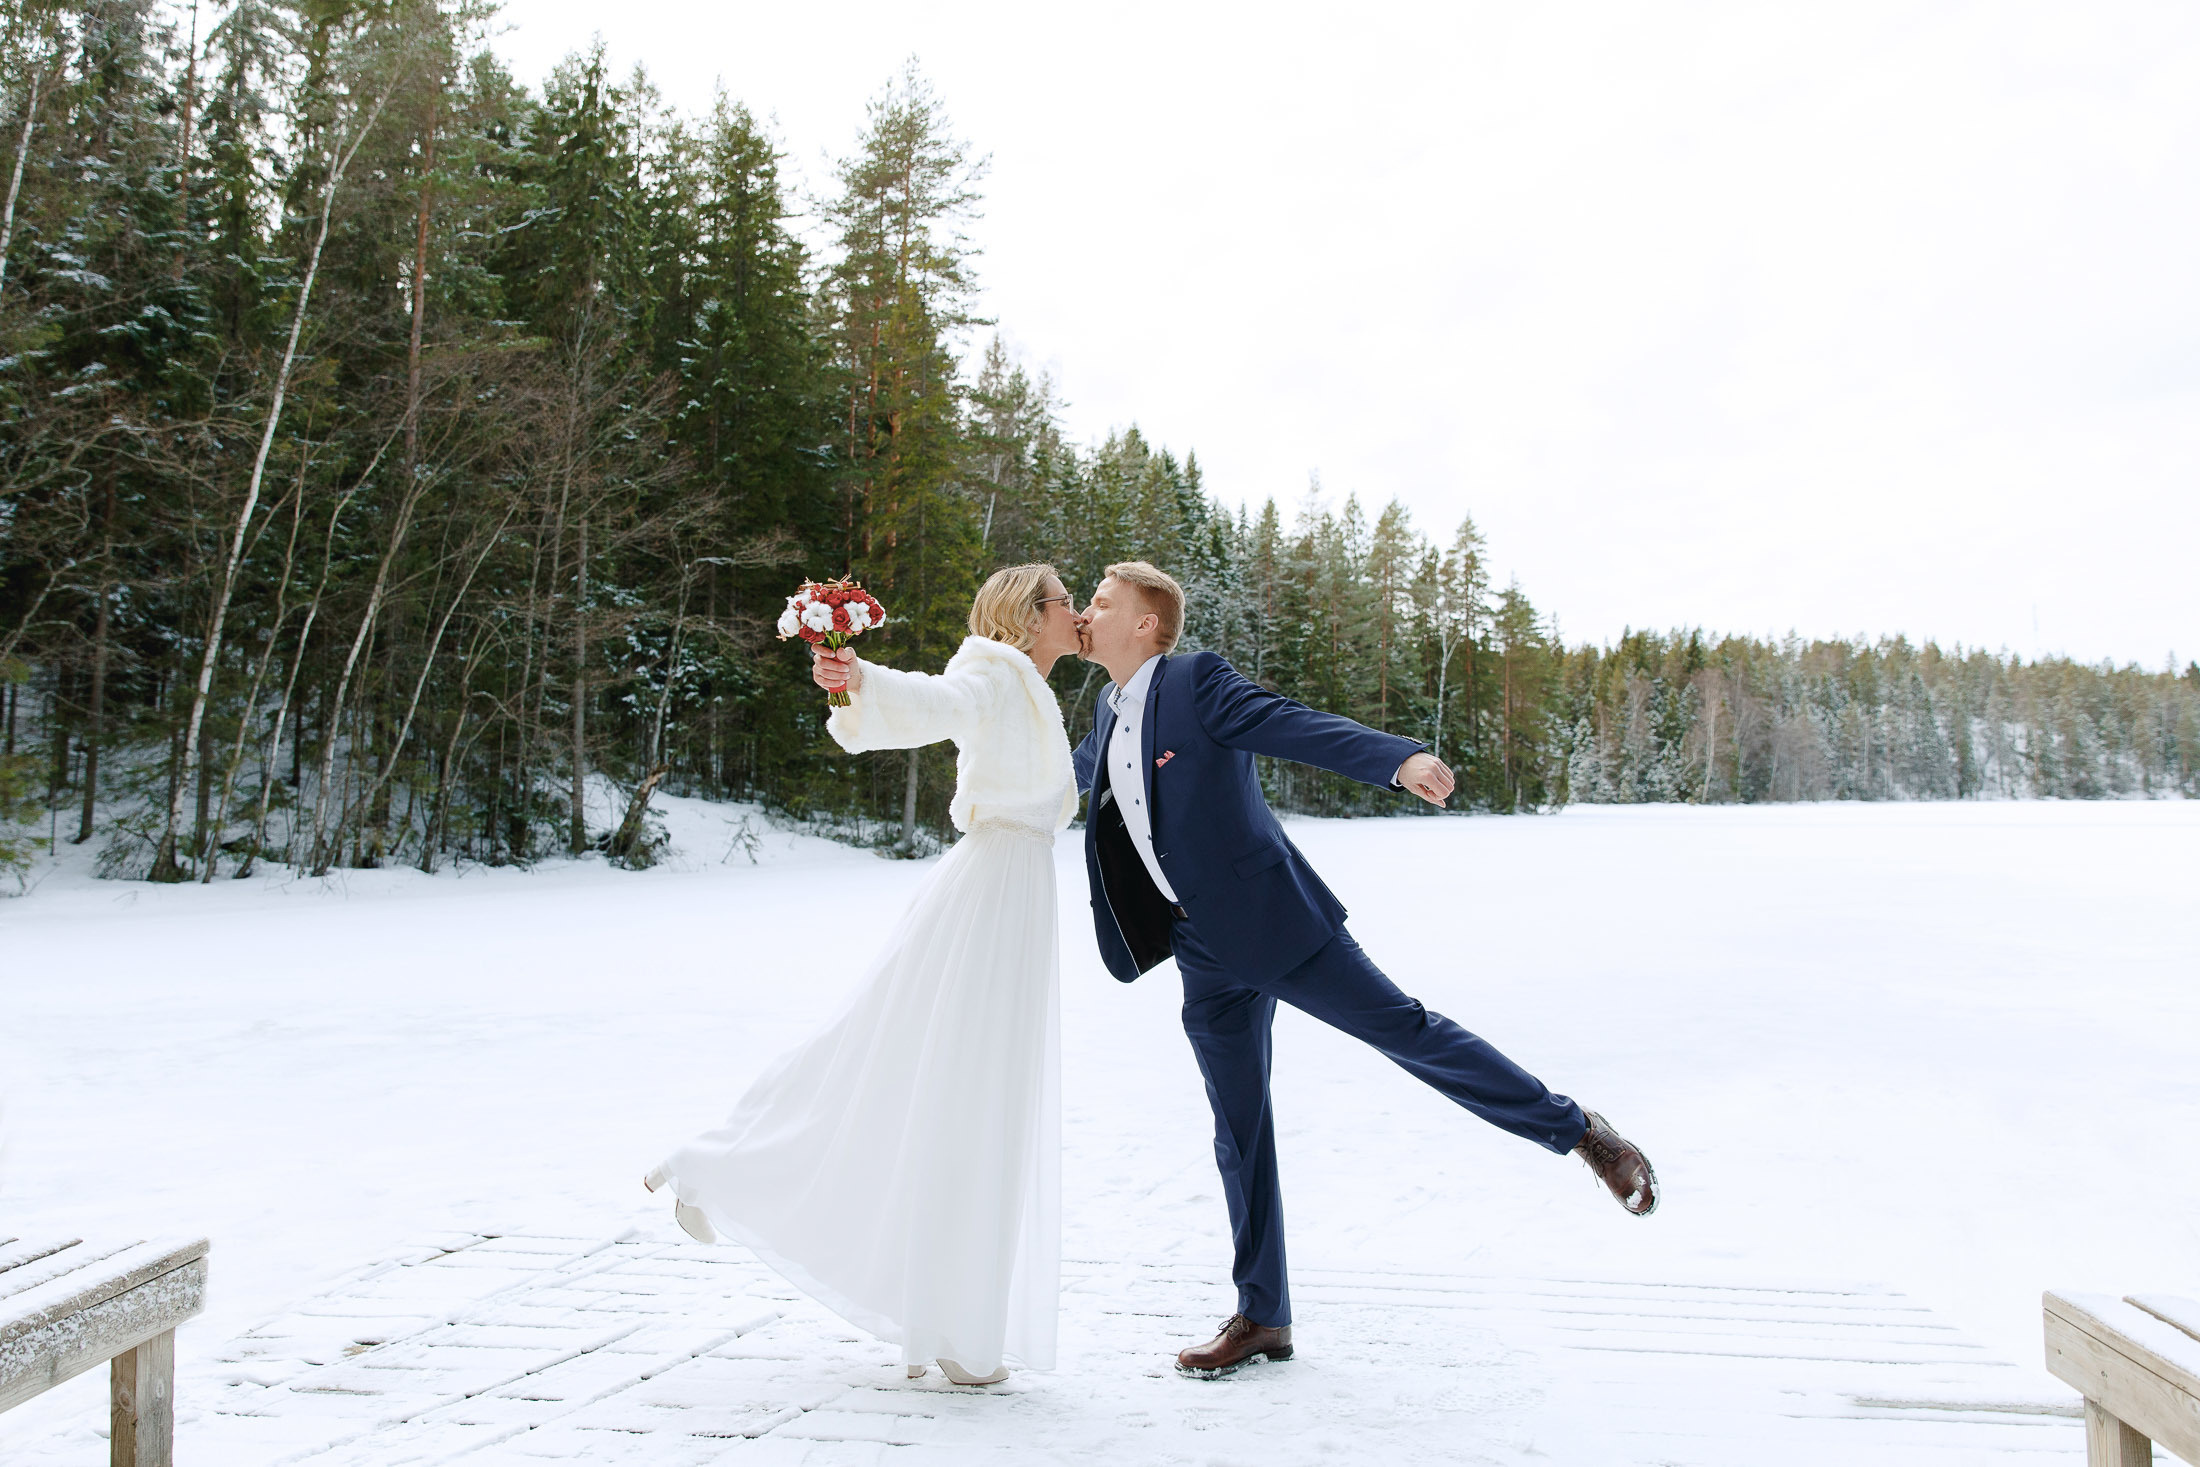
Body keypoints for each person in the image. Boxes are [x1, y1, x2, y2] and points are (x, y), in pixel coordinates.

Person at [1071, 560, 1658, 1379]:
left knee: (1407, 1032)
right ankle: (1263, 1316)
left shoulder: (1194, 681)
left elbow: (1287, 721)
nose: (1088, 612)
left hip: (1277, 924)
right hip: (1201, 951)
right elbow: (1054, 791)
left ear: (1145, 624)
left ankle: (1580, 1133)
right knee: (1238, 1132)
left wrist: (1396, 759)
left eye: (1103, 602)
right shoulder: (1102, 714)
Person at [645, 564, 1084, 1387]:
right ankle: (721, 1168)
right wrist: (860, 678)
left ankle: (957, 1320)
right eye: (1067, 600)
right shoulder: (991, 672)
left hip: (1017, 891)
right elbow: (937, 703)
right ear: (1029, 618)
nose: (1079, 609)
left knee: (974, 1093)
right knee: (918, 1070)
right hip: (988, 894)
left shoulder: (1031, 685)